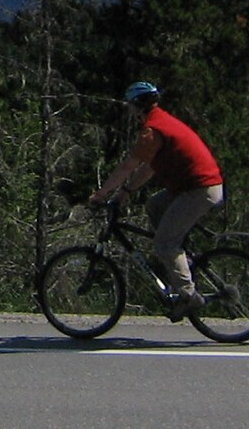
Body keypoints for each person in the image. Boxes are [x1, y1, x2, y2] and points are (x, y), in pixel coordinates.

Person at [89, 81, 225, 320]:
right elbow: (149, 168)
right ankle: (178, 258)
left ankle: (188, 296)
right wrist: (125, 192)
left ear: (138, 105)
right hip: (195, 187)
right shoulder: (162, 122)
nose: (129, 109)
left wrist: (101, 194)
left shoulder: (152, 131)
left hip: (199, 190)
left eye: (130, 105)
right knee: (155, 205)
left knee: (164, 243)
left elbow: (128, 166)